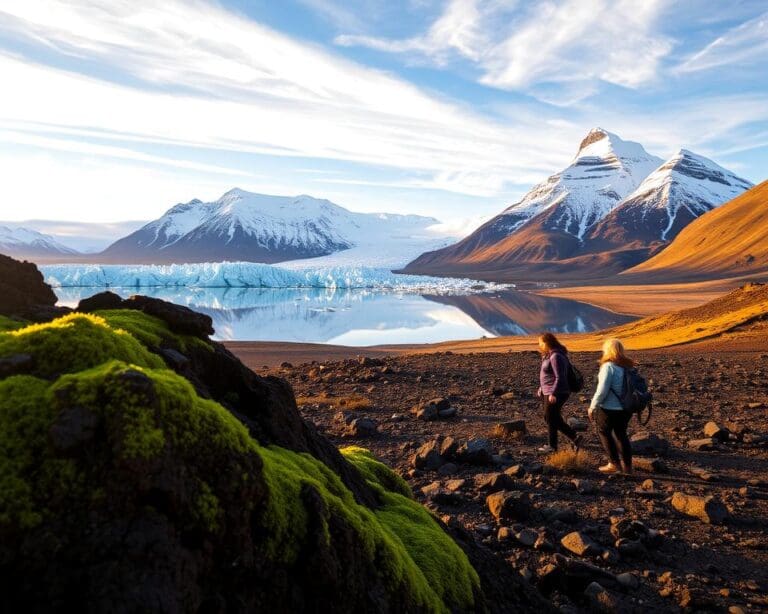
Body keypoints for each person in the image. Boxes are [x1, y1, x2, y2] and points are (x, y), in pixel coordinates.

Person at [589, 338, 635, 474]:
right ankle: (627, 467)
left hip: (609, 408)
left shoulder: (608, 367)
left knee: (604, 432)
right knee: (621, 435)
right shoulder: (628, 366)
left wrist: (592, 406)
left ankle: (614, 464)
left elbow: (602, 390)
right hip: (626, 408)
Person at [537, 332, 583, 453]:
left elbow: (560, 377)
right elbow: (547, 375)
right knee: (552, 417)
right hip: (548, 391)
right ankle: (567, 440)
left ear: (547, 342)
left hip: (558, 392)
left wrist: (554, 393)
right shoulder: (548, 355)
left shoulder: (556, 356)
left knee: (550, 417)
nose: (539, 345)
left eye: (541, 343)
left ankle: (560, 442)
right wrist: (541, 387)